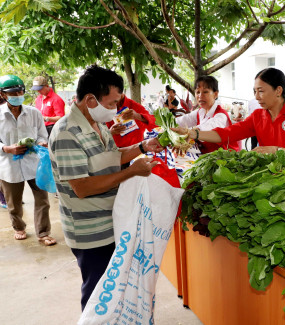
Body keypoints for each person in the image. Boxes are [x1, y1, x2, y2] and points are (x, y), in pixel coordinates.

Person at [48, 65, 163, 310]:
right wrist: (131, 171)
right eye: (111, 104)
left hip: (111, 221)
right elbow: (82, 187)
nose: (115, 110)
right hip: (90, 231)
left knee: (115, 292)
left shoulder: (98, 126)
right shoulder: (67, 133)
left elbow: (112, 157)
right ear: (90, 100)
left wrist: (144, 146)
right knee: (98, 295)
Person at [172, 68, 285, 154]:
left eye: (261, 91)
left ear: (278, 90)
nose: (256, 97)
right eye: (255, 91)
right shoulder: (258, 116)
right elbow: (229, 133)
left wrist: (276, 150)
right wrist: (192, 133)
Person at [0, 74, 56, 245]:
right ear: (3, 94)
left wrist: (41, 143)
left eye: (19, 92)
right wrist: (6, 148)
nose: (17, 96)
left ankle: (43, 232)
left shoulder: (34, 113)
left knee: (42, 199)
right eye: (12, 94)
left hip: (34, 164)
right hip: (9, 164)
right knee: (13, 203)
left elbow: (41, 134)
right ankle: (19, 228)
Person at [175, 76, 240, 153]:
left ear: (215, 94)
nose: (200, 96)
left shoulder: (221, 115)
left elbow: (209, 127)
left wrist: (191, 132)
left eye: (205, 92)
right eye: (197, 92)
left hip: (223, 160)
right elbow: (182, 121)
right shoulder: (200, 112)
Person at [106, 93, 157, 167]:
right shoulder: (106, 109)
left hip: (138, 153)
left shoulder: (134, 106)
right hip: (117, 155)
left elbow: (155, 124)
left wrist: (138, 116)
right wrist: (111, 132)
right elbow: (101, 136)